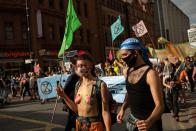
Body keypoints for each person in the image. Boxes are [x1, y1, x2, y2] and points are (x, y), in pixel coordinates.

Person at [117, 38, 164, 131]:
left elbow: (160, 106)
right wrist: (122, 108)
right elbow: (130, 92)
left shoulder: (151, 74)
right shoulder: (127, 71)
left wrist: (149, 122)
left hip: (149, 125)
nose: (123, 59)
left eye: (125, 55)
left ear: (136, 52)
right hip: (132, 123)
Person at [56, 54, 111, 131]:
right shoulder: (78, 85)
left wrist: (108, 129)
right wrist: (63, 95)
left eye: (83, 65)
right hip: (80, 125)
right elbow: (76, 110)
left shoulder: (100, 85)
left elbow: (105, 111)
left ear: (91, 66)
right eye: (78, 66)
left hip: (94, 126)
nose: (80, 68)